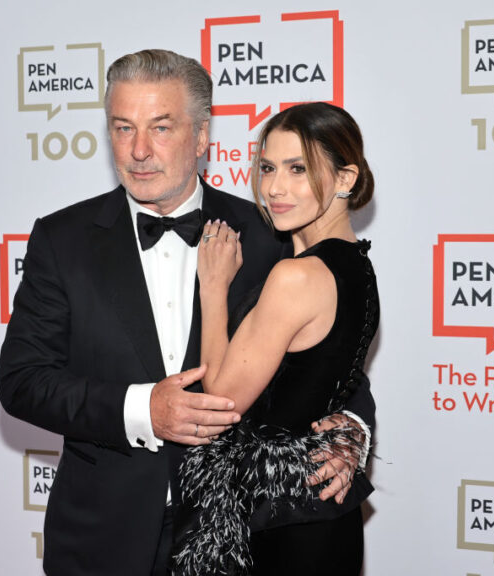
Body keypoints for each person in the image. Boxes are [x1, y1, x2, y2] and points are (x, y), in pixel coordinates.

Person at [0, 50, 374, 576]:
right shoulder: (62, 240)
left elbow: (327, 355)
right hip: (104, 537)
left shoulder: (269, 234)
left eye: (161, 128)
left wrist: (353, 428)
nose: (139, 151)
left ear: (201, 138)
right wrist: (141, 409)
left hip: (242, 537)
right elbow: (21, 381)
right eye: (123, 128)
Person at [171, 102, 378, 575]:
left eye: (298, 169)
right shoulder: (358, 267)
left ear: (346, 179)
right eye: (267, 167)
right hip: (322, 515)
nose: (275, 187)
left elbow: (221, 399)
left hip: (279, 524)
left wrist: (215, 288)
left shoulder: (294, 276)